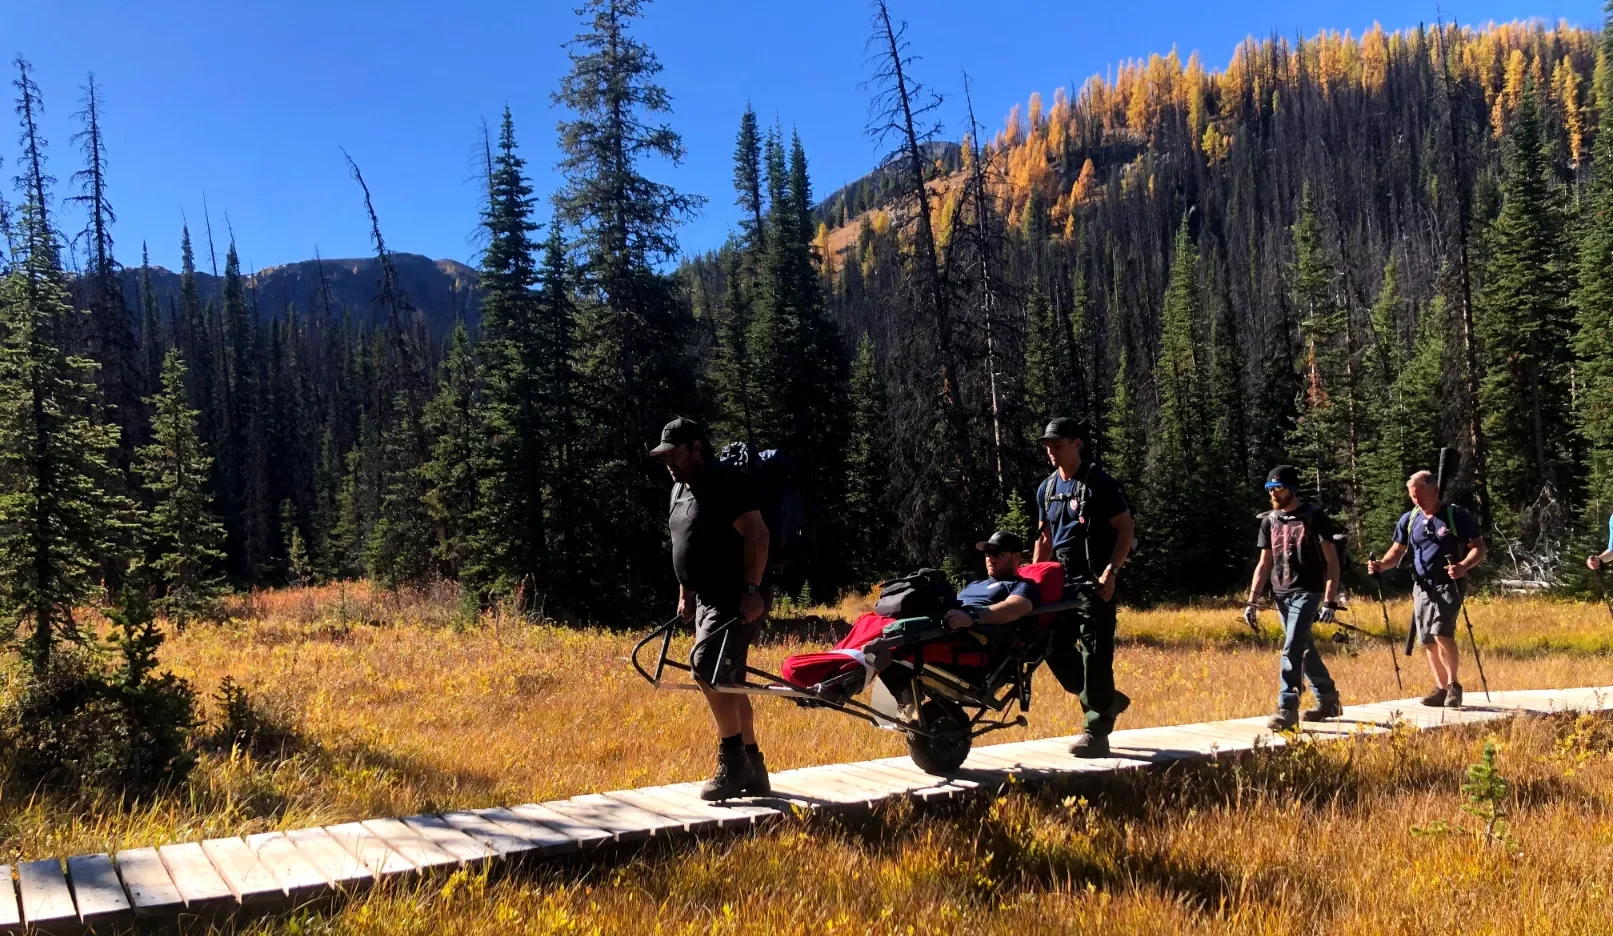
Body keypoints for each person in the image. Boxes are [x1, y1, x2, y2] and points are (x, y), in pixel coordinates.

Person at [651, 418, 773, 801]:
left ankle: (733, 760)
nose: (668, 461)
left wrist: (752, 591)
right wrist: (685, 591)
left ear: (697, 448)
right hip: (705, 599)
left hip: (736, 597)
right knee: (729, 679)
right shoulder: (678, 490)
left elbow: (758, 534)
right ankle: (755, 770)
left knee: (706, 666)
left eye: (674, 454)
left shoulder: (725, 483)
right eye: (664, 456)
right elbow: (688, 542)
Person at [1032, 417, 1136, 757]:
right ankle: (1106, 700)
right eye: (1048, 446)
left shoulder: (1099, 484)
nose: (1051, 451)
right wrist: (1032, 581)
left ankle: (1096, 731)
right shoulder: (1046, 489)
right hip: (1058, 583)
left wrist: (1112, 571)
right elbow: (1044, 538)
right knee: (1052, 647)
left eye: (1057, 445)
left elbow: (1126, 530)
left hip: (1094, 582)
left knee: (1095, 654)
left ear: (1077, 444)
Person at [1367, 470, 1486, 709]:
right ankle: (1441, 688)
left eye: (1420, 495)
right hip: (1421, 586)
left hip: (1449, 584)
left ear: (1434, 491)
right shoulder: (1410, 519)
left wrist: (1463, 566)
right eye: (1412, 497)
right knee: (1428, 639)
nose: (1416, 501)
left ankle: (1454, 686)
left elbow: (1479, 548)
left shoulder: (1455, 515)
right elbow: (1397, 551)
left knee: (1442, 632)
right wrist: (1381, 564)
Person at [1245, 465, 1343, 730]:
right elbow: (1264, 563)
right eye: (1270, 489)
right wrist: (1252, 601)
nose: (1274, 494)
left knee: (1291, 648)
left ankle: (1287, 707)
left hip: (1307, 592)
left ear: (1292, 489)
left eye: (1278, 488)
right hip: (1281, 594)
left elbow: (1332, 561)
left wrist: (1329, 600)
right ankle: (1328, 699)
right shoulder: (1269, 520)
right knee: (1304, 648)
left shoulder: (1313, 516)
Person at [940, 531, 1040, 632]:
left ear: (1016, 557)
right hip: (944, 622)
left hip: (973, 634)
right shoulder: (974, 584)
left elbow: (1015, 607)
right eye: (988, 554)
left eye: (998, 554)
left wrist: (973, 617)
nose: (991, 559)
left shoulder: (1022, 585)